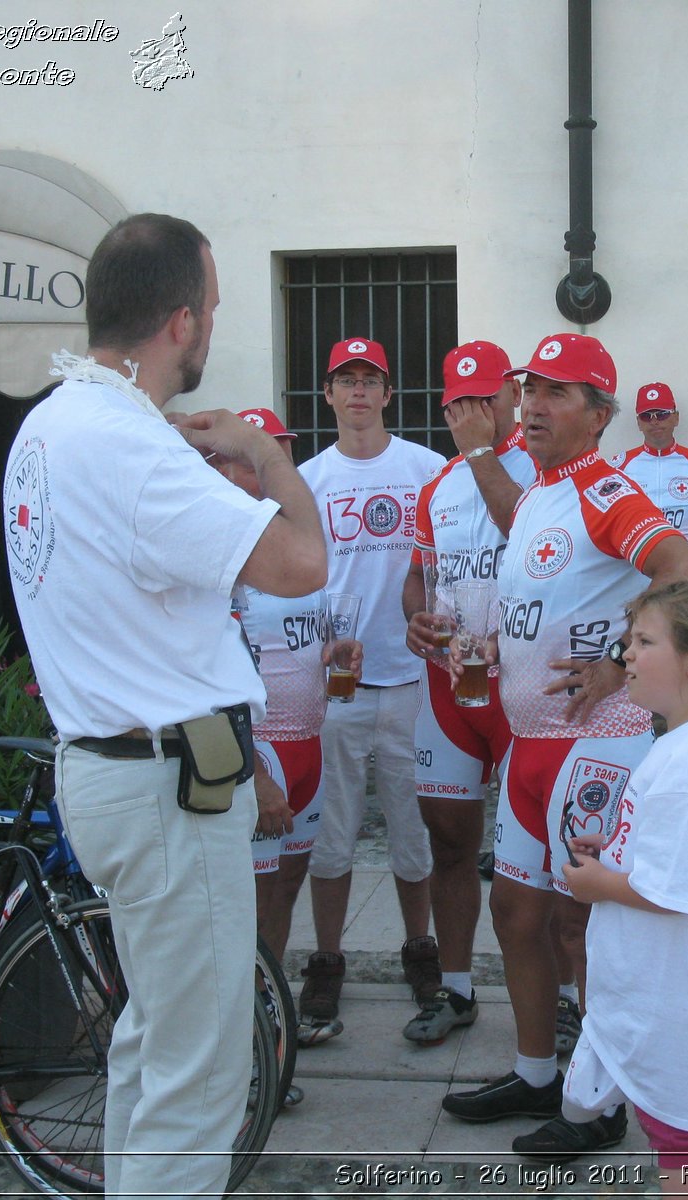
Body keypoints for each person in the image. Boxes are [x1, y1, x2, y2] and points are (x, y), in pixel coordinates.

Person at [2, 212, 327, 1200]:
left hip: (116, 773)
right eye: (216, 307)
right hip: (166, 786)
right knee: (201, 1075)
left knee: (152, 1045)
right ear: (181, 323)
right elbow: (299, 565)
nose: (216, 324)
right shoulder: (126, 445)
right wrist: (262, 454)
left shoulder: (49, 424)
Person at [439, 332, 688, 1149]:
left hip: (598, 744)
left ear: (599, 414)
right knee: (517, 911)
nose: (533, 405)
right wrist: (487, 645)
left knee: (580, 926)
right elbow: (537, 594)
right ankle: (534, 1077)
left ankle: (601, 1107)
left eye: (556, 393)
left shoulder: (604, 486)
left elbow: (686, 571)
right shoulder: (536, 496)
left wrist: (621, 661)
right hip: (530, 744)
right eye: (529, 390)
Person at [515, 580, 688, 1191]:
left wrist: (598, 883)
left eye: (644, 642)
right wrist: (618, 853)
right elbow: (682, 858)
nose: (625, 655)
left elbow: (679, 888)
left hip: (678, 998)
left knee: (686, 1147)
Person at [295, 336, 447, 1037]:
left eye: (370, 380)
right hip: (339, 684)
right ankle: (327, 961)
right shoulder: (306, 481)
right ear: (328, 394)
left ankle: (422, 950)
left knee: (414, 832)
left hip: (416, 676)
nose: (357, 392)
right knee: (335, 833)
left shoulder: (428, 469)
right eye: (344, 380)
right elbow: (292, 581)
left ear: (389, 393)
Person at [401, 340, 536, 1044]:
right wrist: (414, 618)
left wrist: (484, 453)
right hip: (451, 686)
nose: (471, 414)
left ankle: (562, 1000)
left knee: (532, 862)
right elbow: (419, 575)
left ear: (512, 396)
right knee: (448, 841)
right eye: (458, 405)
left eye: (485, 399)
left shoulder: (544, 471)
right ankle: (455, 989)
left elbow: (523, 529)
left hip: (523, 695)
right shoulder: (438, 485)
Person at [220, 407, 361, 1069]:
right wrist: (256, 772)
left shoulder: (297, 539)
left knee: (285, 888)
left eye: (278, 453)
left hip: (309, 738)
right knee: (244, 904)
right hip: (262, 749)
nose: (270, 467)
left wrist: (335, 650)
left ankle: (266, 1017)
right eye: (258, 456)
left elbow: (311, 628)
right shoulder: (222, 546)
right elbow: (218, 676)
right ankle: (238, 1049)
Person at [609, 382, 688, 553]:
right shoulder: (618, 467)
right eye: (646, 416)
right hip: (633, 571)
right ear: (638, 423)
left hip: (686, 574)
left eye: (662, 414)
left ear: (676, 418)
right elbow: (604, 525)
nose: (654, 421)